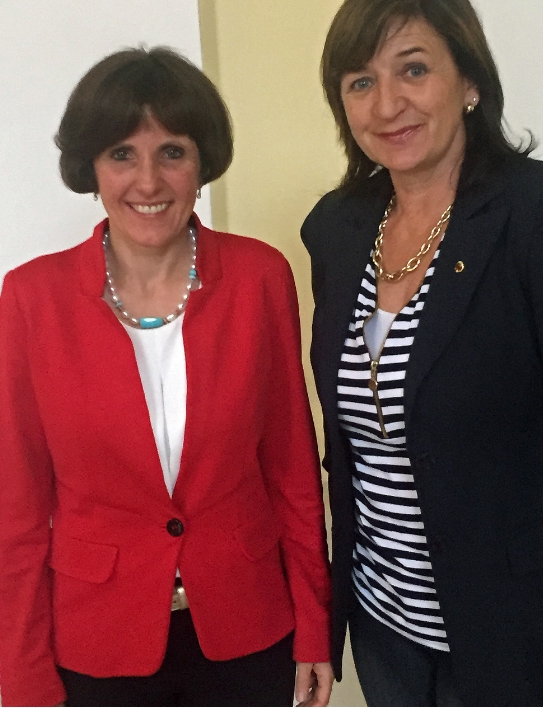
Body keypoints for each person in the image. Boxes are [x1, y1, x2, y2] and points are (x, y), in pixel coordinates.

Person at [0, 47, 333, 707]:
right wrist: (22, 676)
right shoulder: (31, 298)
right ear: (92, 167)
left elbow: (291, 471)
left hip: (248, 630)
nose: (148, 181)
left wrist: (315, 627)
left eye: (172, 152)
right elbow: (19, 508)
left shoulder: (259, 277)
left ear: (202, 162)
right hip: (98, 641)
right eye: (122, 154)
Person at [301, 0, 543, 707]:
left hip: (514, 638)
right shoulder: (337, 229)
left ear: (469, 80)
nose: (387, 104)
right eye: (360, 82)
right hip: (385, 631)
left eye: (413, 70)